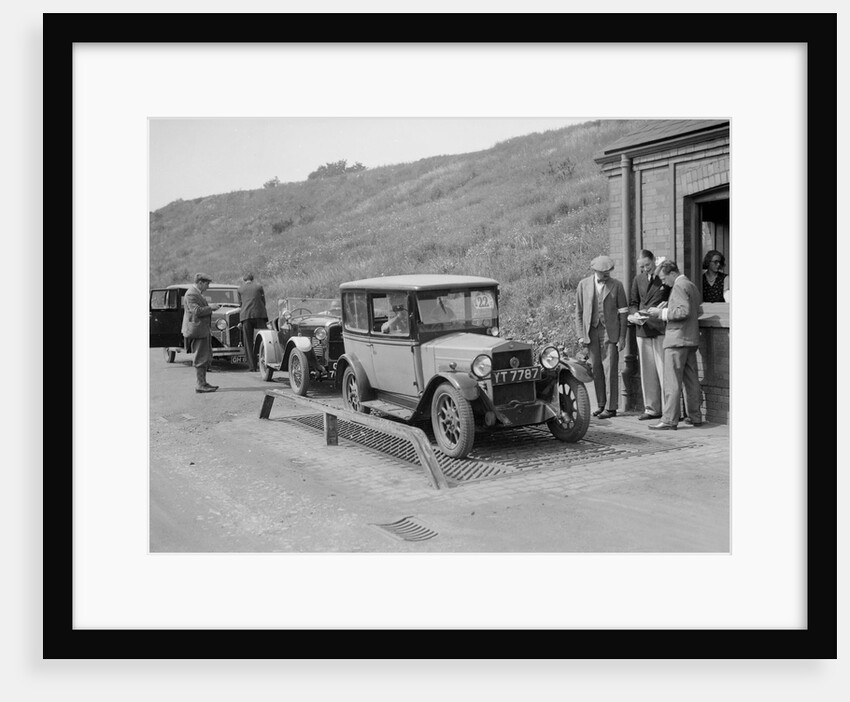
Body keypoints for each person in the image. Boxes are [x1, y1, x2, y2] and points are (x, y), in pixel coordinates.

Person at [646, 260, 703, 430]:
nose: (664, 283)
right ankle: (695, 416)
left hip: (676, 340)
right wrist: (669, 306)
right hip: (690, 339)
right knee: (691, 380)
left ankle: (669, 419)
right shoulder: (690, 285)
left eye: (664, 279)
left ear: (672, 273)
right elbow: (697, 311)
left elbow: (682, 311)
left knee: (672, 381)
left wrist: (661, 312)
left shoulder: (678, 286)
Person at [574, 254, 628, 419]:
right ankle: (601, 404)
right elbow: (579, 312)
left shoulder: (617, 286)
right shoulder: (583, 285)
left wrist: (622, 337)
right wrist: (580, 335)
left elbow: (623, 313)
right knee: (596, 369)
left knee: (610, 369)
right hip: (591, 333)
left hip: (610, 332)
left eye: (609, 271)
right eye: (603, 272)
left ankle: (611, 408)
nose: (607, 274)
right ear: (595, 270)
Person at [628, 250, 670, 421]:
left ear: (654, 261)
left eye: (648, 265)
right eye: (642, 266)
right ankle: (651, 408)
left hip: (659, 328)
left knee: (663, 370)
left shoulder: (664, 278)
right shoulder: (638, 280)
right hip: (642, 329)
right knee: (647, 371)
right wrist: (634, 315)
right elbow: (633, 302)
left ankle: (669, 409)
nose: (646, 269)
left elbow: (671, 298)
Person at [182, 273, 221, 394]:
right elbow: (196, 311)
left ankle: (203, 383)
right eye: (207, 284)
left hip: (201, 329)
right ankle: (200, 384)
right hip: (197, 330)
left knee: (205, 355)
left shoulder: (196, 293)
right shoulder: (191, 294)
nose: (208, 286)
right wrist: (211, 308)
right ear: (200, 283)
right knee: (200, 357)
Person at [237, 273, 268, 372]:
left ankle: (252, 366)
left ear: (244, 279)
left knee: (248, 342)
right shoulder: (259, 287)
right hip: (259, 315)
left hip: (246, 316)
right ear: (252, 279)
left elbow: (240, 304)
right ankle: (266, 362)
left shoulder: (240, 289)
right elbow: (263, 301)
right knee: (265, 339)